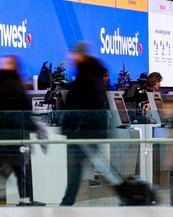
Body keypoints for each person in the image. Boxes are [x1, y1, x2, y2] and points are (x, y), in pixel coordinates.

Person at [60, 54, 109, 206]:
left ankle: (66, 204)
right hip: (86, 134)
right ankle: (126, 195)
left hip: (82, 134)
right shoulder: (90, 81)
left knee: (79, 169)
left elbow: (75, 109)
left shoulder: (86, 82)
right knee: (97, 168)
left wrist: (68, 129)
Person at [0, 55, 48, 206]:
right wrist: (38, 131)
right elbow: (26, 114)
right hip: (16, 140)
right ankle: (25, 202)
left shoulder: (5, 85)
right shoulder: (18, 86)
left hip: (6, 140)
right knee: (21, 174)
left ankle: (24, 202)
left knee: (14, 174)